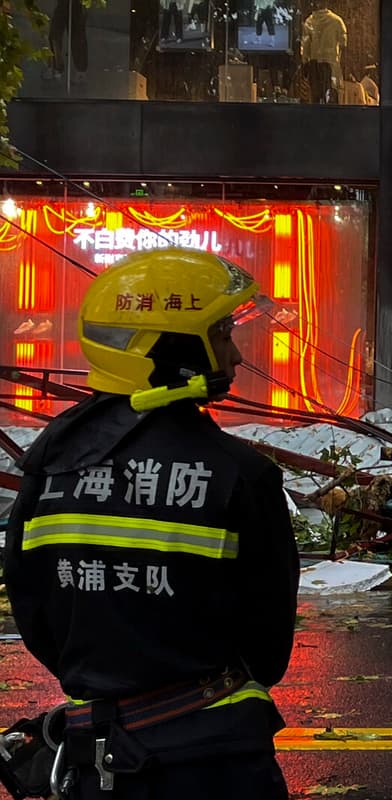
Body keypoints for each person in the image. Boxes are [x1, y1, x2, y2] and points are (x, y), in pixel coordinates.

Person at [3, 249, 299, 799]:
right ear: (171, 348)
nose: (234, 354)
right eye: (220, 334)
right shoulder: (240, 474)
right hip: (219, 763)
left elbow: (35, 611)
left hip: (99, 761)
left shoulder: (47, 466)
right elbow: (268, 648)